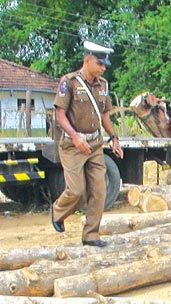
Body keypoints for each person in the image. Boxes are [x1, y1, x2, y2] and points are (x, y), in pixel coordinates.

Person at [51, 41, 123, 248]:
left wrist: (114, 138)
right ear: (87, 60)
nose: (103, 68)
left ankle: (91, 235)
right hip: (73, 145)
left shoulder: (103, 85)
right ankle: (58, 211)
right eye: (99, 64)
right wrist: (74, 136)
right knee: (76, 190)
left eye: (104, 65)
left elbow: (106, 115)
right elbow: (60, 114)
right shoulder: (70, 82)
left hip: (95, 144)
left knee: (99, 190)